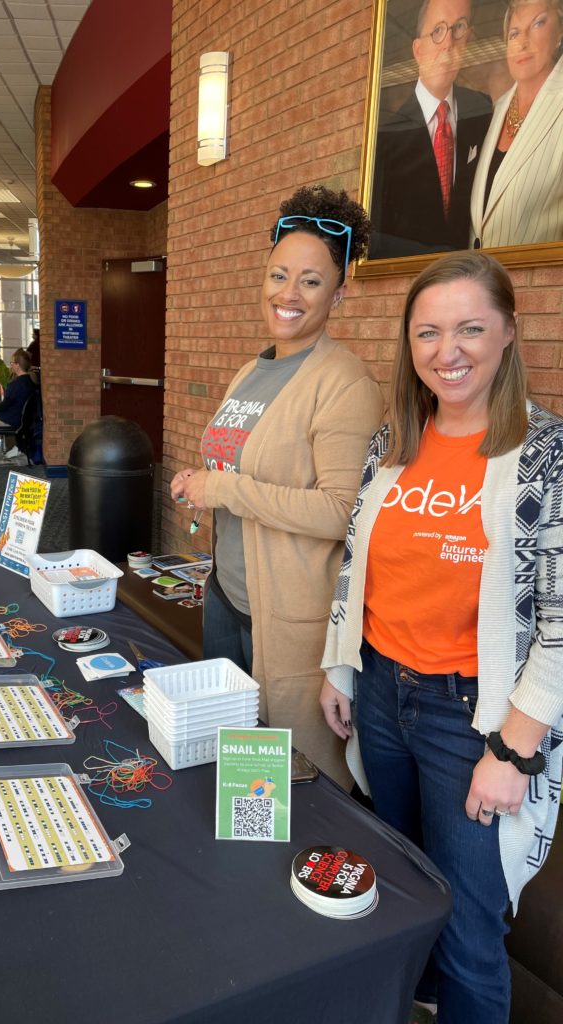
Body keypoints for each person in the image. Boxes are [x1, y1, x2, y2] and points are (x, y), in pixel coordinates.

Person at [320, 251, 563, 1024]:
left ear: (508, 334)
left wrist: (514, 750)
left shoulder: (545, 454)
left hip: (476, 721)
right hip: (385, 694)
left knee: (468, 930)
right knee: (400, 893)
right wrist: (341, 668)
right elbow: (358, 565)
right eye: (427, 332)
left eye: (468, 329)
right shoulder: (396, 440)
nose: (446, 351)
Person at [170, 185, 384, 785]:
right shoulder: (253, 368)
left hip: (289, 618)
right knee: (240, 772)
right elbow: (240, 464)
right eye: (278, 275)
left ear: (339, 294)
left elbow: (343, 512)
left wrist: (224, 490)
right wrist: (202, 480)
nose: (288, 294)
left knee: (298, 780)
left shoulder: (344, 383)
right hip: (227, 598)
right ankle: (239, 879)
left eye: (311, 281)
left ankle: (289, 880)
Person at [369, 0, 492, 258]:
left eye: (458, 28)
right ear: (418, 49)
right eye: (437, 31)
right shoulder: (386, 133)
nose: (448, 43)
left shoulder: (481, 110)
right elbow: (377, 236)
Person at [471, 0, 563, 247]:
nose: (522, 42)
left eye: (538, 23)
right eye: (514, 33)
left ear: (559, 33)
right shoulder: (499, 107)